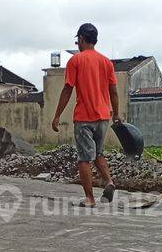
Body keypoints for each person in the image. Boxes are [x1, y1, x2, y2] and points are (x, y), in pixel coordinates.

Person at [51, 23, 120, 207]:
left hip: (84, 117)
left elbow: (67, 89)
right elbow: (113, 91)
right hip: (103, 116)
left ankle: (90, 198)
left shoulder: (76, 61)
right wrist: (117, 114)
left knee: (84, 158)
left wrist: (57, 115)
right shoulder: (106, 62)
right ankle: (109, 182)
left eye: (77, 40)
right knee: (98, 153)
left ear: (81, 38)